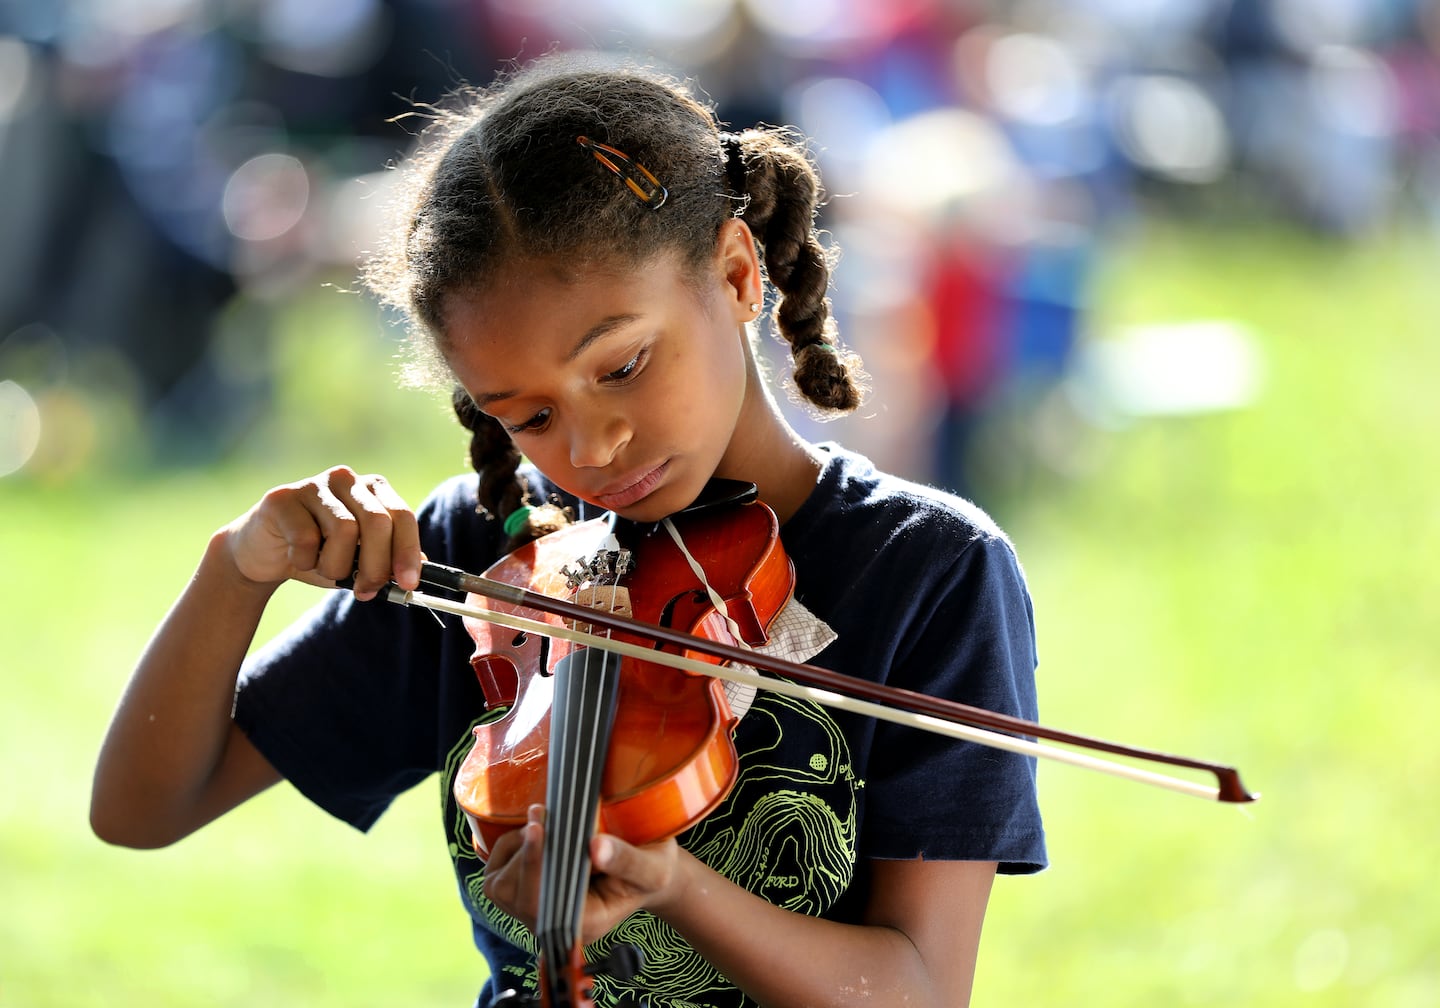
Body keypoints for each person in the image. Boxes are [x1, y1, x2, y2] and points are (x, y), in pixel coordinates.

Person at [91, 53, 1046, 1008]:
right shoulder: (484, 565)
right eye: (529, 416)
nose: (593, 449)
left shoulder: (929, 571)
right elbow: (144, 809)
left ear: (738, 271)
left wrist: (674, 886)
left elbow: (920, 989)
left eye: (622, 366)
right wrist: (237, 568)